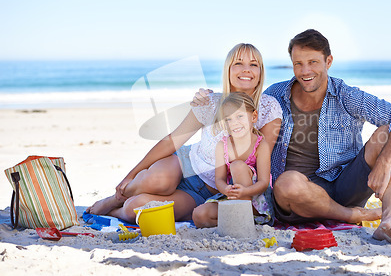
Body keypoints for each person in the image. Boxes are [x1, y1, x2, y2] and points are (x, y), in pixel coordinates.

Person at [86, 43, 282, 223]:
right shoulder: (210, 101)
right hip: (186, 164)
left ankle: (117, 210)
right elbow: (173, 140)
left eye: (253, 64)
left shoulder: (268, 108)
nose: (246, 69)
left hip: (211, 189)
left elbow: (259, 156)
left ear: (260, 72)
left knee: (134, 209)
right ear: (228, 70)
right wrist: (130, 174)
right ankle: (114, 198)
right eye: (238, 63)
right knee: (157, 180)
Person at [264, 29, 391, 244]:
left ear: (328, 61)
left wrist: (383, 162)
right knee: (286, 183)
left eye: (313, 62)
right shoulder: (275, 95)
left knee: (387, 132)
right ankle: (355, 216)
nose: (305, 71)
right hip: (300, 195)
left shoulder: (346, 95)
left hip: (346, 187)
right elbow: (243, 120)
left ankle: (389, 219)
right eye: (298, 63)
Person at [192, 92, 273, 228]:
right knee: (199, 215)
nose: (234, 123)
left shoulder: (260, 145)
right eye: (228, 119)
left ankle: (244, 221)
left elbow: (264, 183)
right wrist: (226, 190)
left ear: (253, 116)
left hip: (256, 204)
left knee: (237, 166)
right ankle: (236, 224)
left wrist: (245, 192)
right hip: (234, 197)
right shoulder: (222, 146)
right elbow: (219, 180)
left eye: (239, 116)